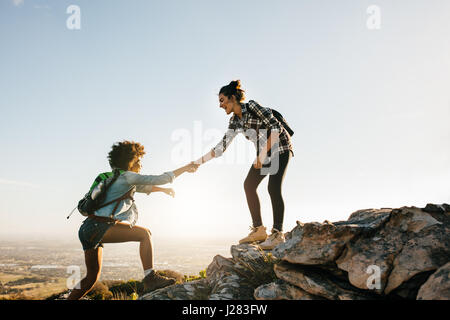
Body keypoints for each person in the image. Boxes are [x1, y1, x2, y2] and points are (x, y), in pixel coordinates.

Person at [67, 140, 199, 300]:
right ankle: (150, 278)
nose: (141, 164)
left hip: (87, 229)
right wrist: (185, 168)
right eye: (138, 161)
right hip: (98, 227)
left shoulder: (117, 178)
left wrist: (163, 191)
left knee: (91, 278)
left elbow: (145, 187)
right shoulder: (128, 177)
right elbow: (160, 178)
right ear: (130, 162)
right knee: (145, 234)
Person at [194, 80, 293, 250]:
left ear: (232, 98)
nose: (220, 105)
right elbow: (221, 147)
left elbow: (276, 129)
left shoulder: (252, 106)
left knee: (273, 188)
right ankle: (259, 230)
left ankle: (278, 234)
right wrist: (197, 162)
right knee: (249, 185)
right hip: (265, 154)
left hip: (281, 147)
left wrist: (261, 155)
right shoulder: (235, 121)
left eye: (222, 100)